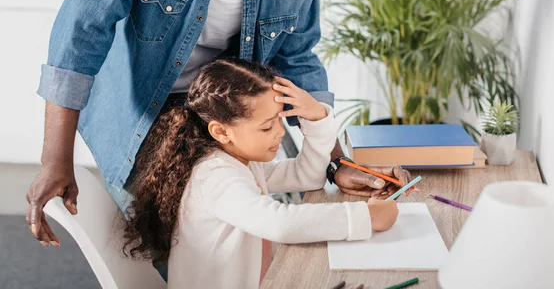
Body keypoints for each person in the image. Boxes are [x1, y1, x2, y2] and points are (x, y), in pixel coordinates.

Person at [26, 0, 409, 257]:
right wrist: (55, 159)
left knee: (230, 240)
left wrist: (337, 162)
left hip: (225, 108)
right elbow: (83, 26)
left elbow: (297, 56)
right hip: (143, 113)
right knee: (175, 249)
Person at [122, 58, 402, 288]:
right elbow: (280, 223)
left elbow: (308, 175)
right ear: (221, 131)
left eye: (280, 120)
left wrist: (316, 116)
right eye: (266, 127)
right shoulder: (216, 176)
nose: (280, 132)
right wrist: (364, 217)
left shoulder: (240, 160)